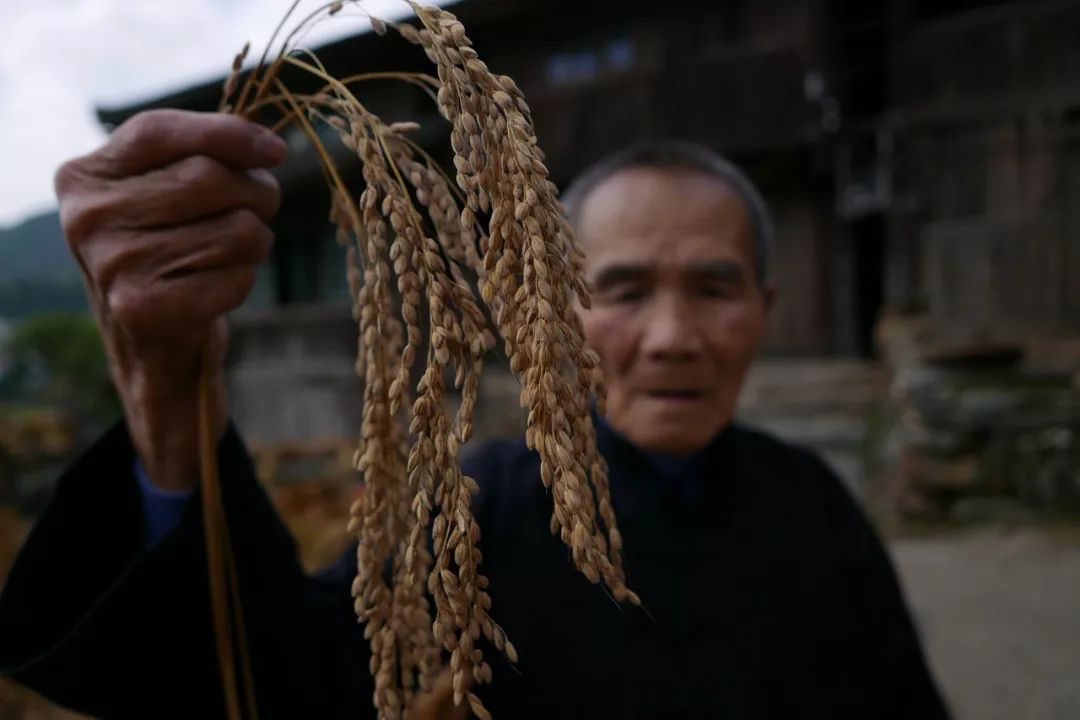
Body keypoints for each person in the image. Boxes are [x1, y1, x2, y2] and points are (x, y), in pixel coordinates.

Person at [0, 110, 951, 719]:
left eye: (715, 287)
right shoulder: (476, 507)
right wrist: (168, 395)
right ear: (554, 312)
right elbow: (276, 678)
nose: (671, 337)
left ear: (766, 312)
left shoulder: (817, 504)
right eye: (621, 290)